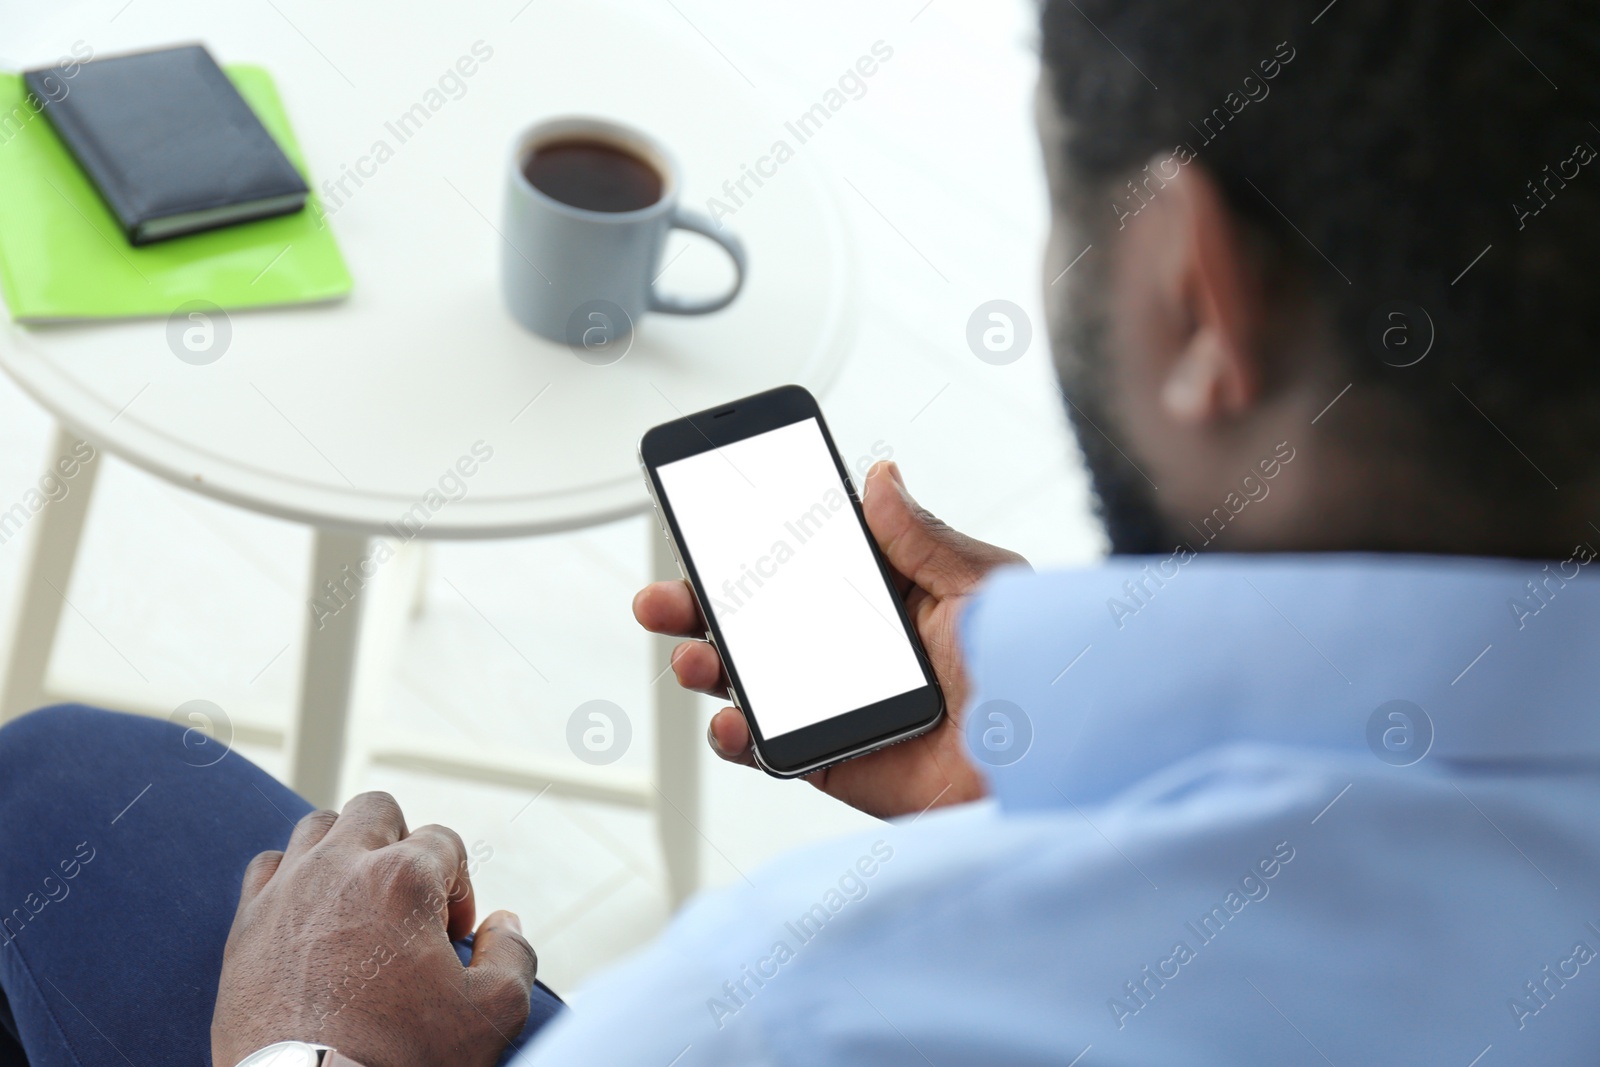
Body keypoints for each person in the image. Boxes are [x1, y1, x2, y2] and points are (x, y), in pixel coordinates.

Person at [4, 0, 1599, 1062]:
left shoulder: (790, 1013)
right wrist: (1094, 770)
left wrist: (298, 1041)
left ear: (1192, 292)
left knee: (63, 788)